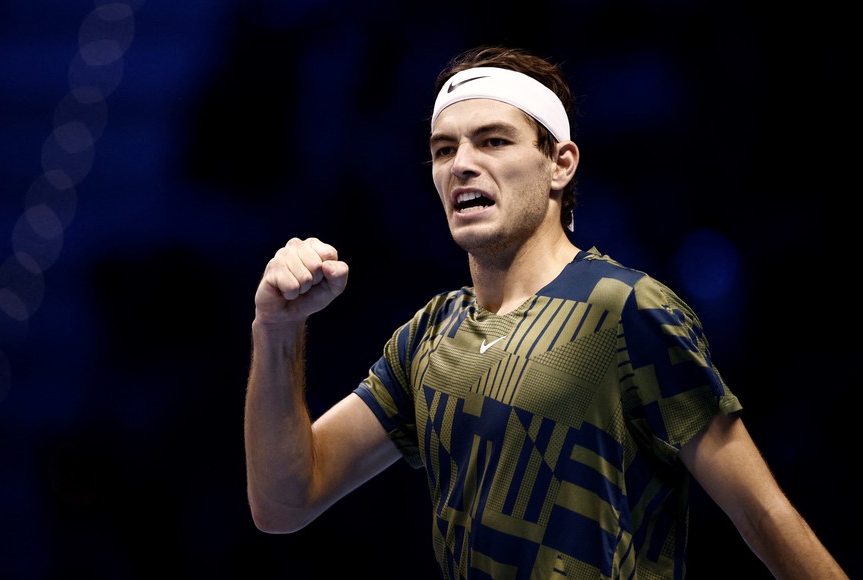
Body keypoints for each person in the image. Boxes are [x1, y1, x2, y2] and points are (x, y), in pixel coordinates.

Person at [243, 45, 847, 579]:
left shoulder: (626, 309)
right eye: (443, 149)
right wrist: (277, 327)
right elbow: (283, 503)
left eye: (494, 140)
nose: (461, 164)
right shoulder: (426, 337)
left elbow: (761, 512)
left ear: (561, 164)